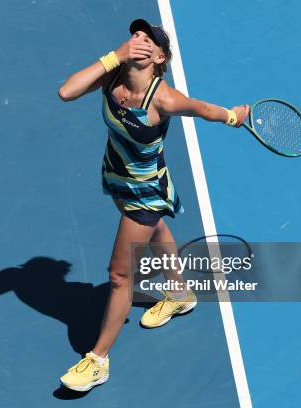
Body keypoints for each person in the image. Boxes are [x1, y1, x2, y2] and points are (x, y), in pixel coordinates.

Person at [57, 19, 249, 392]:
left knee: (119, 275)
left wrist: (232, 116)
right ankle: (180, 293)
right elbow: (67, 92)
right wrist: (114, 56)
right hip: (116, 174)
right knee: (157, 231)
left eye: (149, 40)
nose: (138, 40)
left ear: (159, 57)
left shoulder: (164, 98)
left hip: (146, 193)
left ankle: (98, 361)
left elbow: (203, 108)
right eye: (136, 35)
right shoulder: (111, 77)